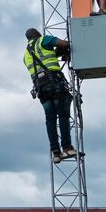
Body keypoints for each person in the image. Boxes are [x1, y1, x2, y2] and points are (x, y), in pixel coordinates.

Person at [23, 27, 82, 164]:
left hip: (41, 89)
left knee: (50, 119)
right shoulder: (44, 40)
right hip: (55, 84)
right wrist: (64, 51)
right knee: (63, 114)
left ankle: (56, 152)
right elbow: (65, 44)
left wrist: (56, 54)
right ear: (37, 34)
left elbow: (43, 59)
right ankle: (67, 147)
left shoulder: (26, 55)